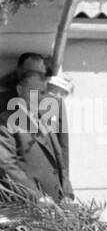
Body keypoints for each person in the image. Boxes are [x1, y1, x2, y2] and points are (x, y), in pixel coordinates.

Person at [0, 53, 73, 201]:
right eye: (32, 91)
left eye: (41, 93)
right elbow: (6, 164)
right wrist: (36, 197)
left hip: (55, 204)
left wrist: (67, 193)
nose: (38, 97)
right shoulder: (7, 120)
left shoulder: (46, 116)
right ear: (20, 90)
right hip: (29, 205)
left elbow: (61, 155)